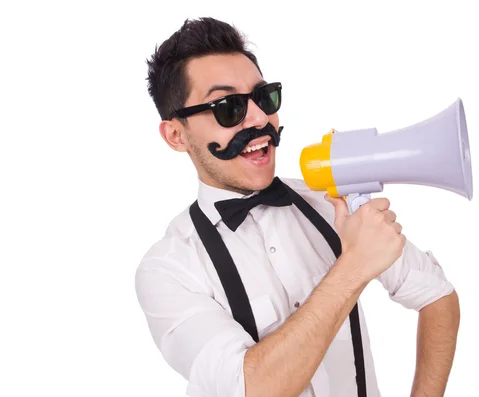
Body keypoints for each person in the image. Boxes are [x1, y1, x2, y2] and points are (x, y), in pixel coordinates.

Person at [135, 17, 460, 397]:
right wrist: (353, 266)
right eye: (228, 107)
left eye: (264, 97)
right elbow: (252, 388)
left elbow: (438, 296)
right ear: (176, 135)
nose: (259, 118)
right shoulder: (168, 270)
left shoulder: (330, 204)